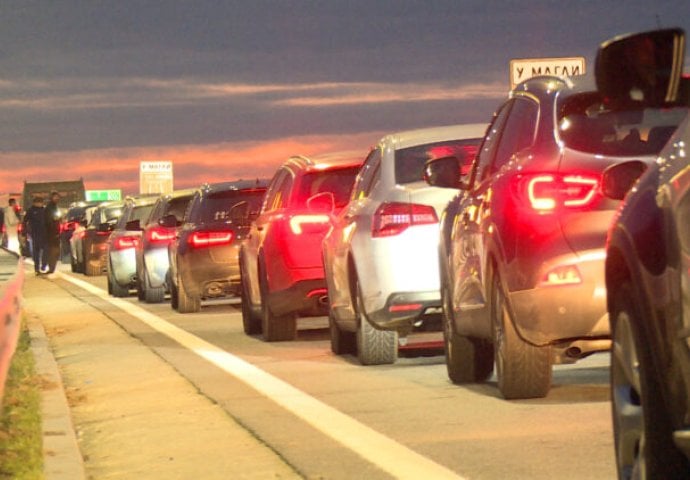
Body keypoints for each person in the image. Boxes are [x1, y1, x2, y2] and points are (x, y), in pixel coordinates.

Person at [24, 196, 47, 274]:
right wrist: (25, 231)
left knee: (46, 250)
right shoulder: (30, 211)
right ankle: (36, 268)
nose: (40, 204)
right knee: (36, 252)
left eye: (41, 202)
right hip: (35, 233)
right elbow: (25, 221)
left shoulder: (45, 210)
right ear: (34, 203)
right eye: (38, 202)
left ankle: (44, 265)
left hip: (44, 233)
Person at [44, 191, 62, 276]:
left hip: (55, 231)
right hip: (51, 233)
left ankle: (51, 267)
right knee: (52, 250)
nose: (57, 199)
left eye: (58, 197)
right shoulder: (49, 208)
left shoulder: (55, 207)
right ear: (51, 198)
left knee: (55, 250)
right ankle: (51, 267)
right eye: (55, 197)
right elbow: (49, 221)